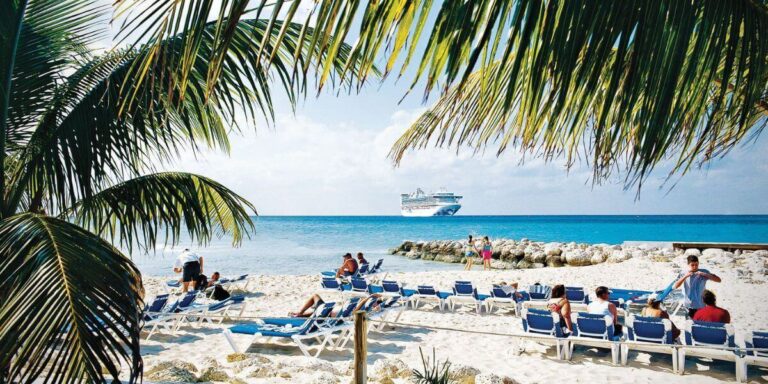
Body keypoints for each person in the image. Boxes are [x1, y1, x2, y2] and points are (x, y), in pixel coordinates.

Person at [289, 293, 383, 317]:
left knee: (315, 296)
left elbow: (355, 311)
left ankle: (299, 313)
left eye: (375, 301)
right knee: (315, 310)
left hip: (328, 313)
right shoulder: (367, 308)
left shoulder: (363, 309)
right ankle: (300, 314)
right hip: (328, 311)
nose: (373, 301)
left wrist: (368, 298)